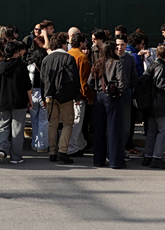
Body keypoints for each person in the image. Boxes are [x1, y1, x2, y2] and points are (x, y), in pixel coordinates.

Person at [40, 32, 80, 164]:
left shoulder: (46, 59)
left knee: (52, 124)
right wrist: (76, 96)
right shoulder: (69, 58)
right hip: (66, 96)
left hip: (50, 95)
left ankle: (52, 152)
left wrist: (43, 96)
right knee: (68, 123)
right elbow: (75, 79)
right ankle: (63, 151)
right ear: (63, 44)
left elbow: (42, 79)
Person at [0, 40, 32, 164]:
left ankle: (1, 149)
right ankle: (16, 157)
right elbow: (27, 86)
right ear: (16, 52)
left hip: (3, 101)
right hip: (19, 101)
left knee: (3, 128)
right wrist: (30, 101)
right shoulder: (21, 66)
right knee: (17, 129)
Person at [88, 40, 126, 169]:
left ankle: (98, 159)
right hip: (112, 97)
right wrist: (118, 91)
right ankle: (115, 161)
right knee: (113, 129)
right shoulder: (117, 63)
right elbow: (122, 83)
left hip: (99, 96)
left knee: (99, 129)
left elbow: (90, 81)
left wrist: (97, 88)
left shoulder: (97, 63)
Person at [143, 44, 165, 169]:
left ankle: (148, 156)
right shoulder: (161, 67)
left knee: (152, 131)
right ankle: (157, 157)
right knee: (164, 130)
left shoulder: (152, 65)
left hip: (151, 103)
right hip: (160, 104)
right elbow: (161, 83)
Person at [66, 32, 93, 157]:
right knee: (77, 121)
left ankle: (80, 144)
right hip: (79, 95)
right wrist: (88, 96)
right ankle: (72, 147)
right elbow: (83, 80)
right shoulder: (82, 57)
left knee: (70, 121)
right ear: (82, 43)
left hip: (67, 94)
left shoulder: (67, 54)